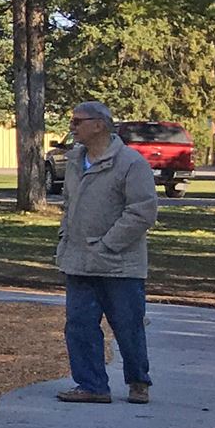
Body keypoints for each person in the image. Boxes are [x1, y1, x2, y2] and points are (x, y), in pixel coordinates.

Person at [54, 99, 159, 404]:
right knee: (79, 326)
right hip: (78, 261)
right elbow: (69, 206)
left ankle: (139, 382)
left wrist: (108, 244)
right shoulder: (75, 161)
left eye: (77, 121)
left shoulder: (131, 164)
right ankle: (92, 385)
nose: (72, 127)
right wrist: (65, 236)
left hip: (119, 265)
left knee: (128, 326)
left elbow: (142, 212)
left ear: (99, 125)